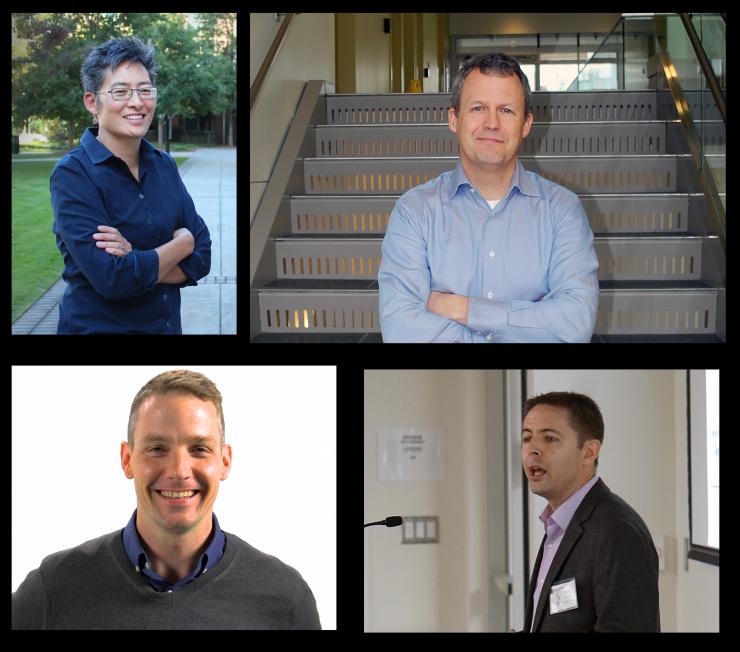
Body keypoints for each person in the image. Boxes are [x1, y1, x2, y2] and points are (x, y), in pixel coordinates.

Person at [12, 370, 321, 629]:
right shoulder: (51, 590)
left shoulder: (285, 599)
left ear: (225, 462)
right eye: (157, 448)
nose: (178, 471)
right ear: (127, 459)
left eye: (199, 449)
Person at [378, 52, 599, 342]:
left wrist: (463, 309)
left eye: (506, 110)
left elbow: (575, 324)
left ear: (526, 124)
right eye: (478, 108)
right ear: (454, 119)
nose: (492, 123)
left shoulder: (563, 210)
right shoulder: (414, 211)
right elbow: (401, 330)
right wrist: (528, 323)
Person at [50, 37, 211, 333]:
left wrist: (136, 259)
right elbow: (114, 280)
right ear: (92, 102)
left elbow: (202, 257)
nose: (137, 102)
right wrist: (181, 243)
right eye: (121, 91)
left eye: (145, 90)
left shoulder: (164, 165)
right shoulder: (72, 175)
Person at [519, 392, 659, 632]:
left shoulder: (617, 531)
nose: (533, 449)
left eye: (550, 439)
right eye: (527, 438)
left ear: (589, 452)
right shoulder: (557, 525)